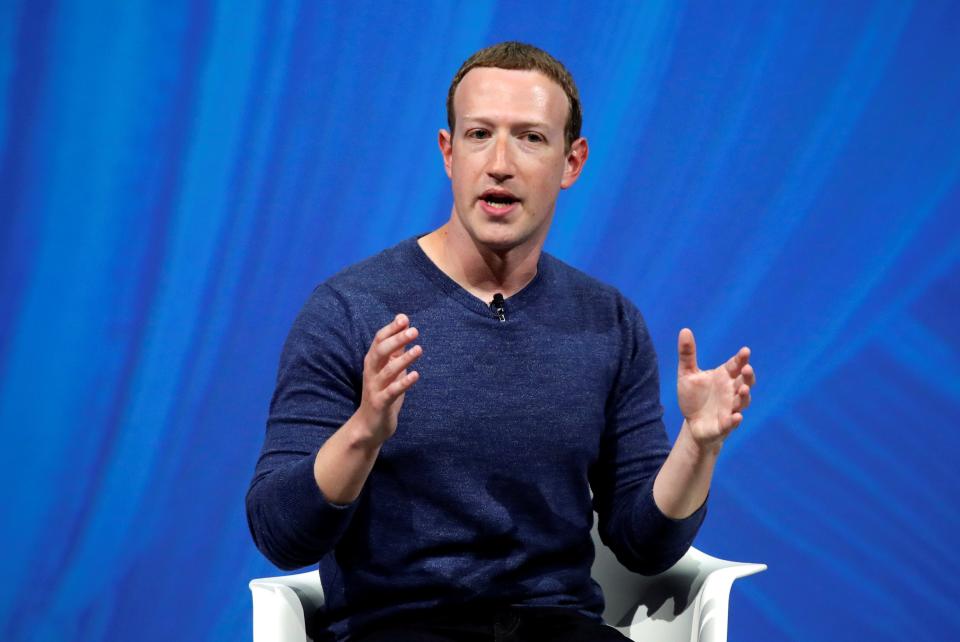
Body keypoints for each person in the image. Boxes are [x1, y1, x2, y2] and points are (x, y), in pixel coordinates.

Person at [246, 41, 756, 642]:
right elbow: (281, 534)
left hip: (557, 626)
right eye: (479, 134)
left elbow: (644, 546)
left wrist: (698, 447)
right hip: (398, 627)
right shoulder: (350, 310)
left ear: (572, 162)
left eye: (531, 138)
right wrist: (363, 432)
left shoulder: (609, 323)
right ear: (448, 153)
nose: (500, 163)